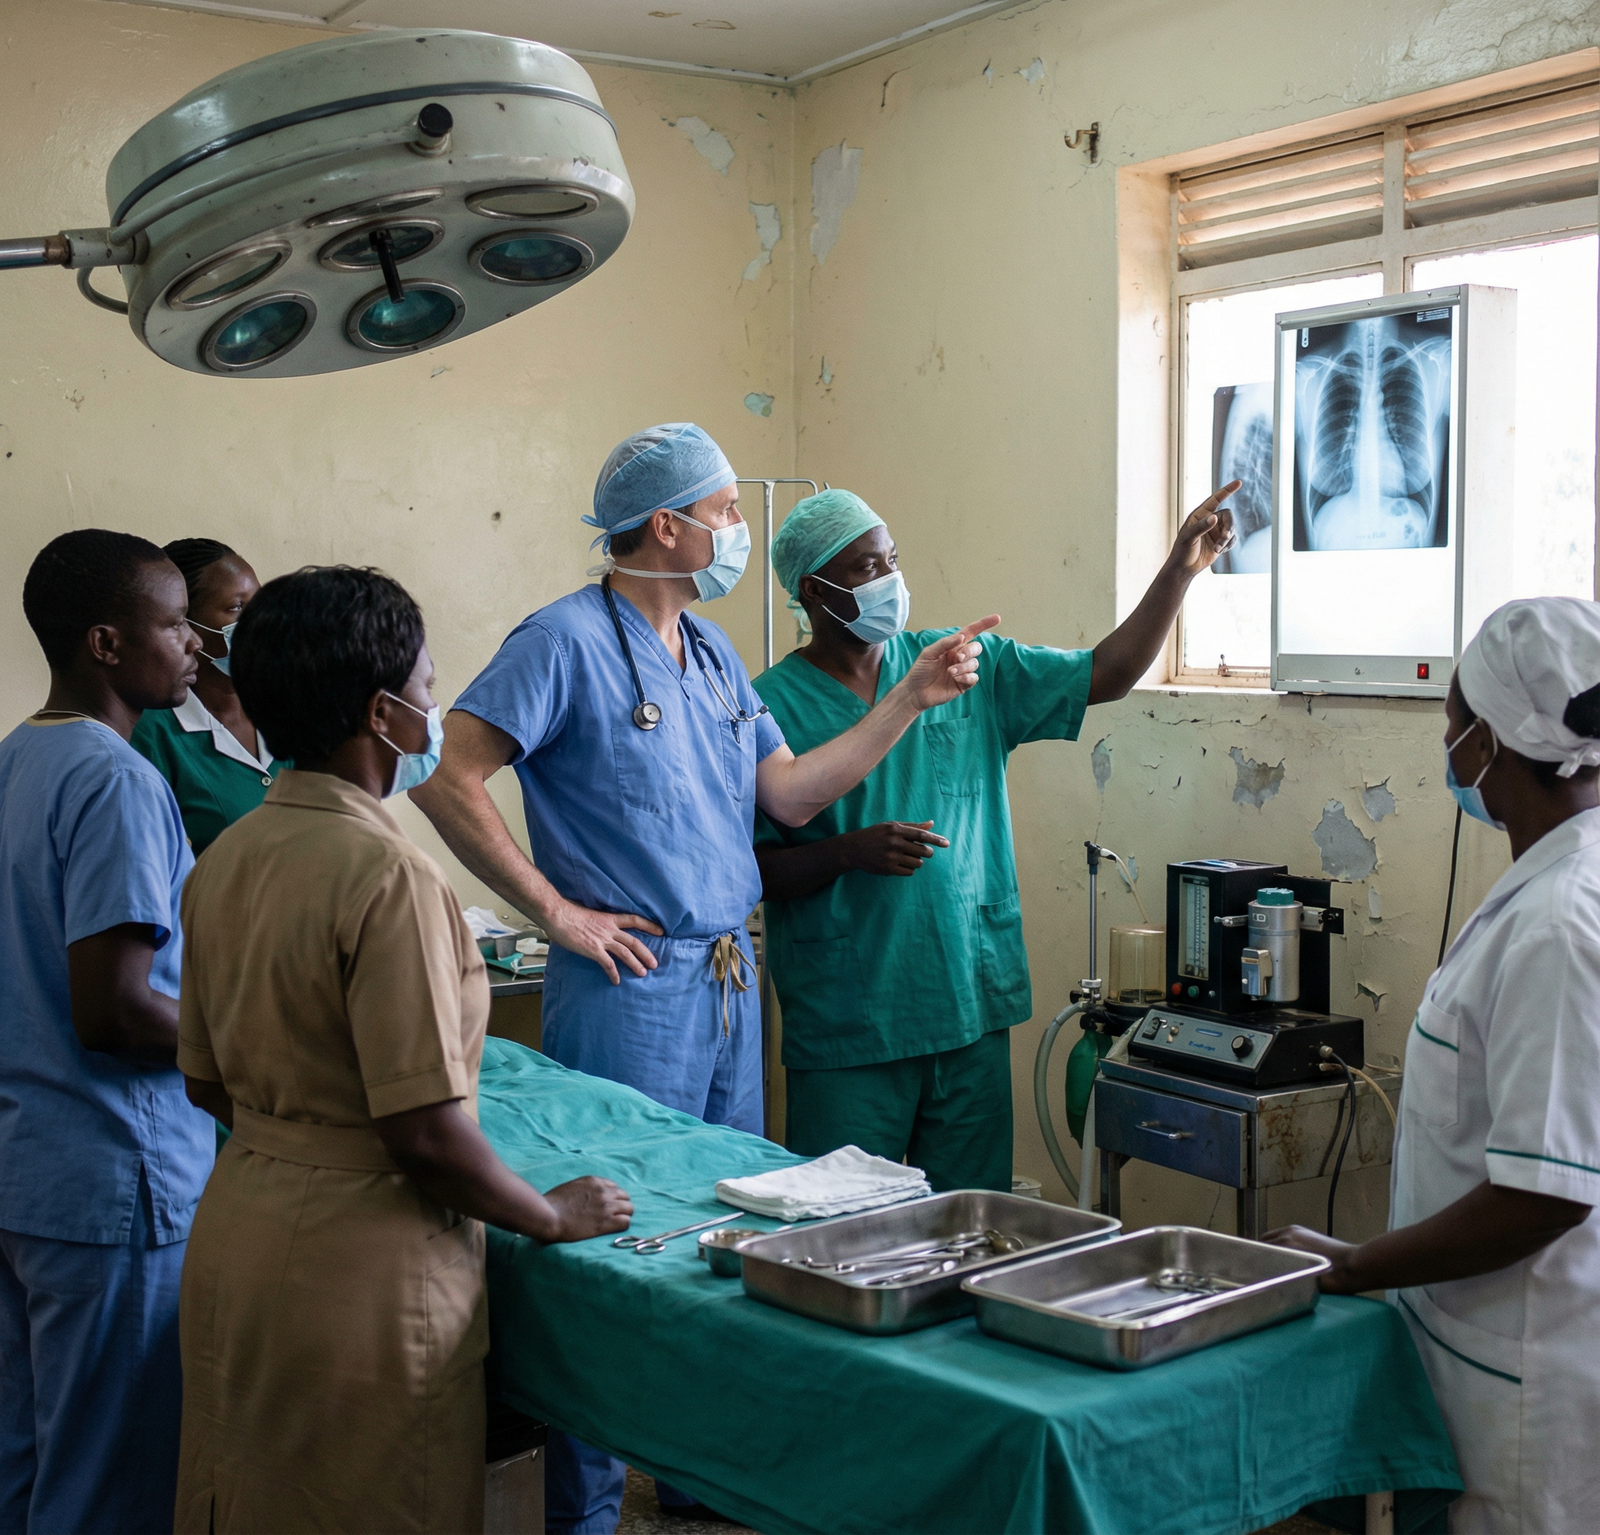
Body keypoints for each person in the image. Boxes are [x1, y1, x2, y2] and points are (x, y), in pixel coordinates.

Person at [413, 422, 996, 1534]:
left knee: (723, 1234)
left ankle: (695, 1479)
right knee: (610, 1251)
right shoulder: (564, 641)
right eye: (726, 510)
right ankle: (586, 1510)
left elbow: (791, 794)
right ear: (666, 525)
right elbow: (447, 772)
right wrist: (556, 912)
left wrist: (907, 699)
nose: (739, 529)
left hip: (728, 977)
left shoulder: (715, 653)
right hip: (631, 987)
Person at [172, 565, 633, 1534]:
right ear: (384, 714)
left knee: (252, 1501)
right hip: (363, 1273)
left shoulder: (226, 860)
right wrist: (547, 1214)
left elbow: (206, 1081)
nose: (434, 702)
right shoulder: (388, 876)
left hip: (241, 1234)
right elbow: (424, 1132)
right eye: (427, 685)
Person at [752, 482, 1240, 1192]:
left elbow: (1106, 674)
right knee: (843, 1227)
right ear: (814, 590)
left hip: (967, 1004)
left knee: (969, 1226)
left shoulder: (958, 665)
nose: (888, 579)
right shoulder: (768, 706)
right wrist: (846, 853)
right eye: (865, 568)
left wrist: (1178, 572)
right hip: (853, 1023)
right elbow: (752, 868)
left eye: (892, 560)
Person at [1268, 597, 1600, 1535]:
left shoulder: (1560, 926)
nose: (1447, 747)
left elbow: (1545, 1195)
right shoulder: (1551, 887)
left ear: (1487, 744)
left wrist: (1352, 1266)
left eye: (1452, 725)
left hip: (1524, 1383)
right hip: (1498, 1344)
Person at [0, 529, 215, 1534]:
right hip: (109, 1179)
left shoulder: (18, 759)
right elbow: (115, 1008)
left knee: (30, 1459)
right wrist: (254, 1044)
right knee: (111, 1485)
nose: (195, 644)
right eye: (175, 624)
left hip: (27, 1169)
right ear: (106, 643)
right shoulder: (116, 780)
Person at [131, 538, 283, 854]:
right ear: (184, 622)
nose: (258, 620)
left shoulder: (290, 706)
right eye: (237, 607)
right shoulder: (151, 734)